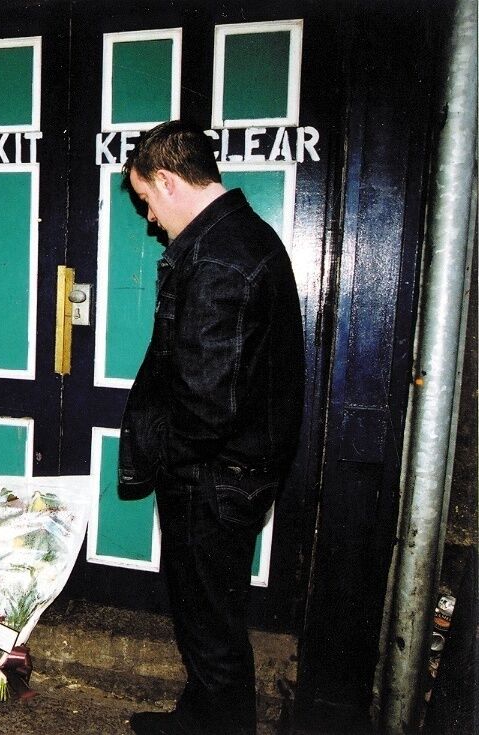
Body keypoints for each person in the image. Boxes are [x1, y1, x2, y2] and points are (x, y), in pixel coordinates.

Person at [118, 120, 305, 735]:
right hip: (228, 470)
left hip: (214, 476)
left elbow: (206, 403)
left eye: (146, 199)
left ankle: (215, 726)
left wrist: (167, 461)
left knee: (210, 624)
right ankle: (198, 719)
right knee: (206, 616)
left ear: (168, 181)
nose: (148, 218)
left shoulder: (222, 258)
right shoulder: (236, 240)